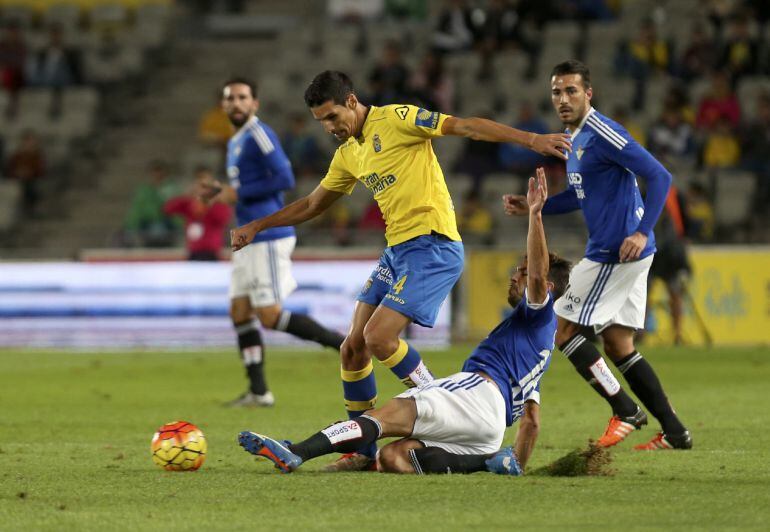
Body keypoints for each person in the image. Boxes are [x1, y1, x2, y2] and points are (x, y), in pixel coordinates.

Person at [230, 70, 571, 471]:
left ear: (352, 102)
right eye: (321, 121)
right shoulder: (348, 154)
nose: (329, 127)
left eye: (333, 116)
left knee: (378, 338)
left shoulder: (397, 119)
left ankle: (438, 394)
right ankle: (361, 449)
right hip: (397, 252)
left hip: (434, 246)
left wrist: (532, 140)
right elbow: (312, 204)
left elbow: (465, 127)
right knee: (353, 347)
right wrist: (257, 225)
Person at [505, 60, 691, 450]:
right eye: (557, 92)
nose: (563, 99)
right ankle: (675, 432)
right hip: (621, 252)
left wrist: (642, 232)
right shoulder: (574, 140)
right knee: (620, 345)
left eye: (571, 91)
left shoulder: (604, 132)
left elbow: (660, 176)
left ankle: (624, 409)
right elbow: (579, 194)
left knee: (560, 326)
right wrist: (535, 206)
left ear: (588, 94)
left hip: (616, 251)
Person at [200, 77, 346, 408]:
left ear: (255, 104)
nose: (236, 103)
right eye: (230, 98)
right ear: (223, 105)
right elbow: (250, 184)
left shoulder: (258, 134)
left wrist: (237, 193)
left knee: (268, 315)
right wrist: (223, 190)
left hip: (267, 237)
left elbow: (285, 179)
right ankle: (259, 392)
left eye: (242, 97)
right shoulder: (237, 140)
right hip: (246, 237)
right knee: (239, 311)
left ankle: (342, 344)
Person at [163, 165, 232, 261]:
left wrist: (210, 202)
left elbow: (223, 219)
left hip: (212, 252)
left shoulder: (218, 203)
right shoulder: (189, 202)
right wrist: (187, 194)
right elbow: (168, 209)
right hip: (193, 251)